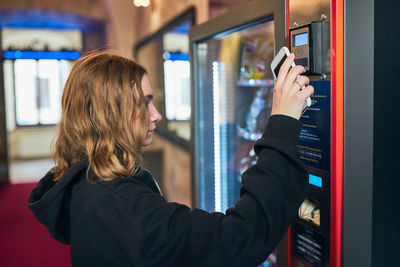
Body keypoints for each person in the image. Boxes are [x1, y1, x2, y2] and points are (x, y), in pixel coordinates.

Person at [27, 52, 313, 267]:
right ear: (110, 114)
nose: (156, 115)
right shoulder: (120, 206)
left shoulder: (85, 183)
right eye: (144, 102)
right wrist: (283, 124)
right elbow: (236, 240)